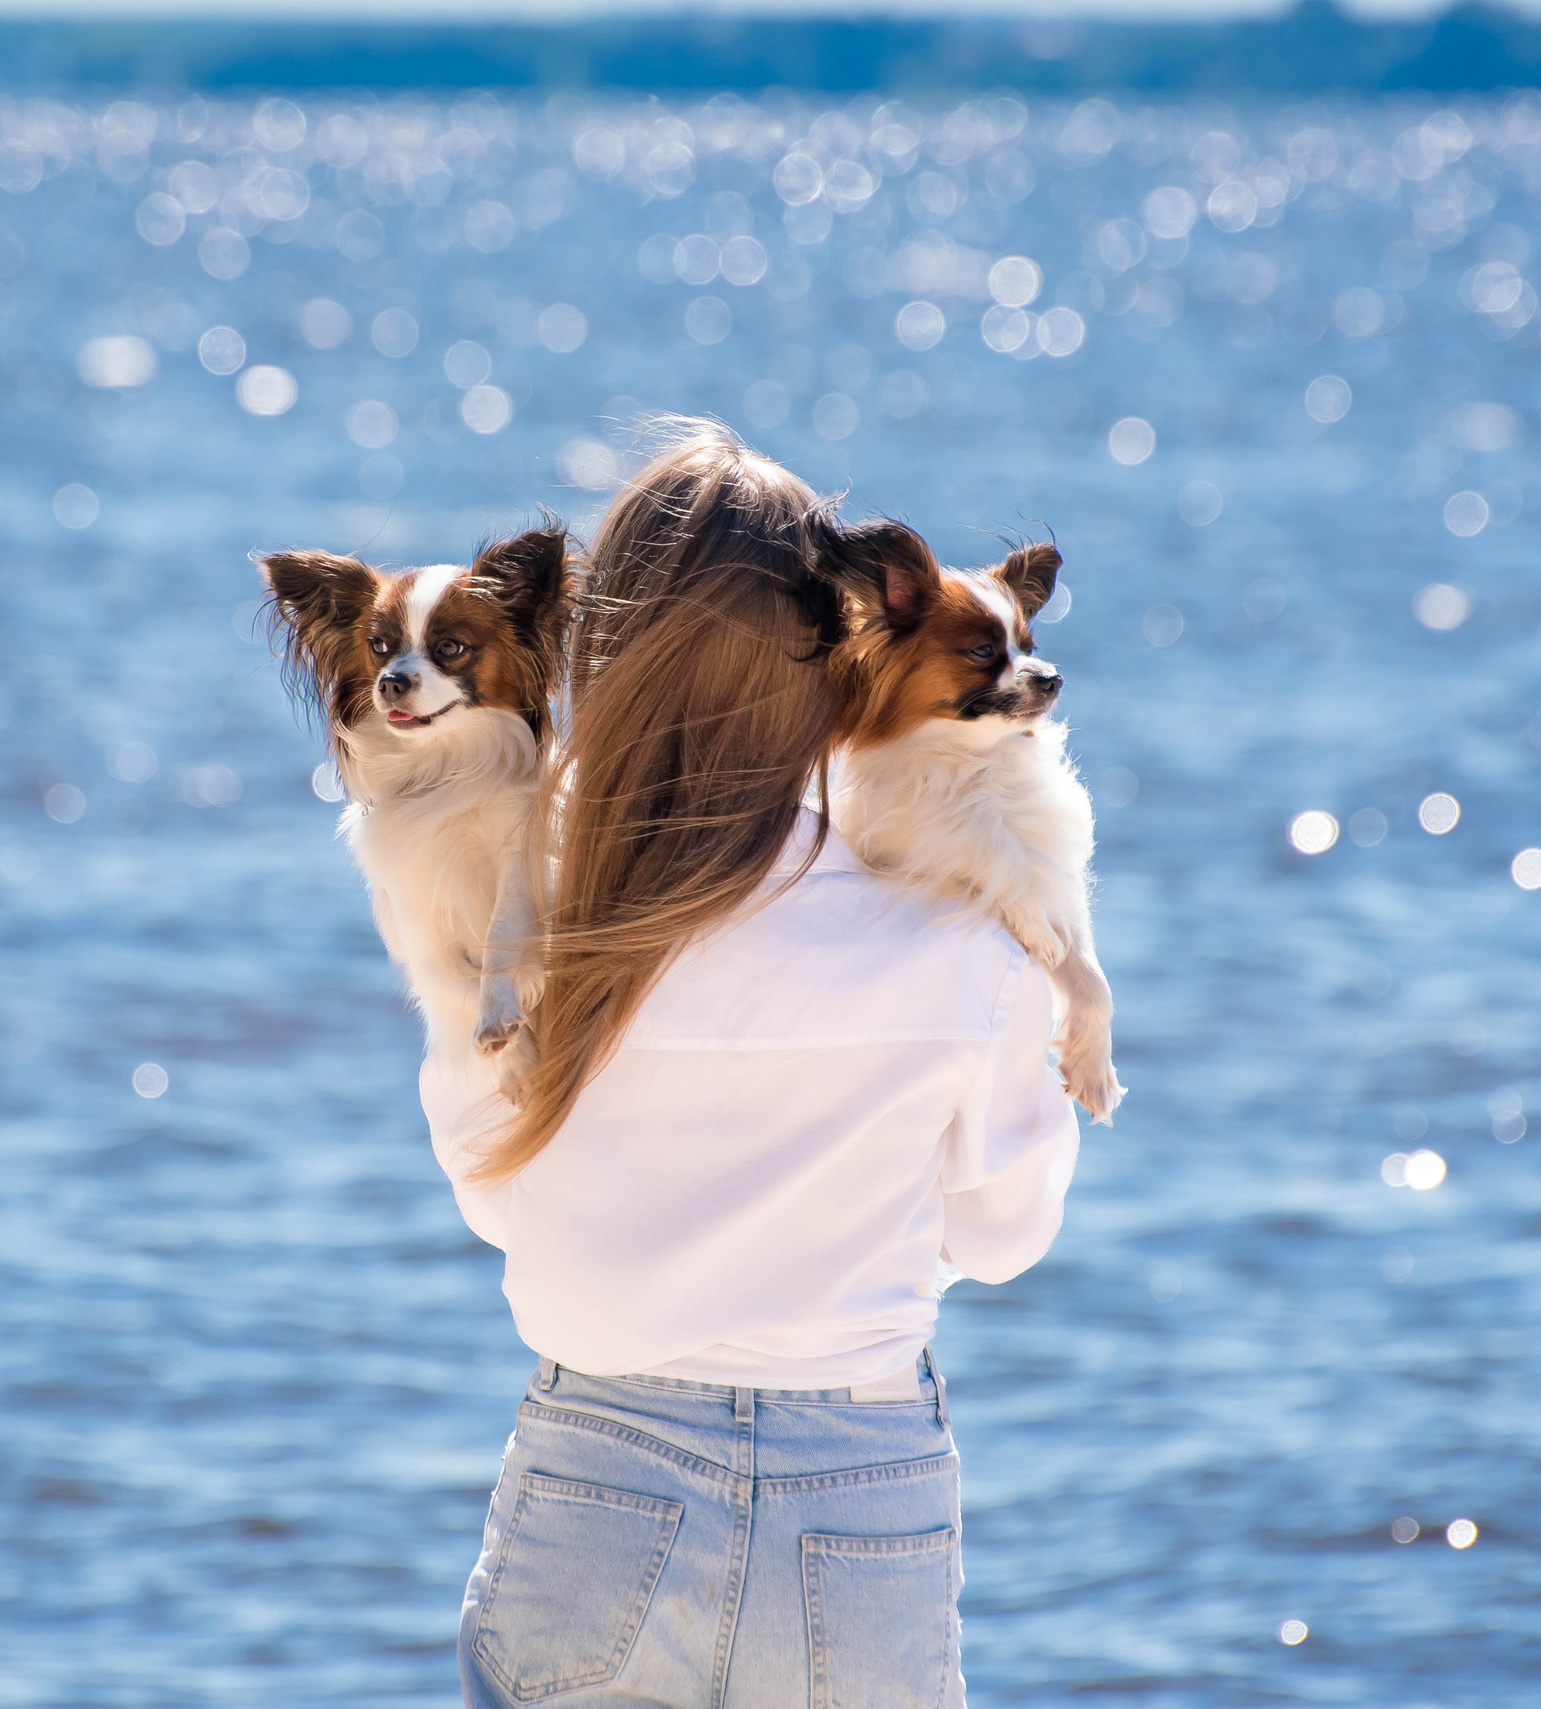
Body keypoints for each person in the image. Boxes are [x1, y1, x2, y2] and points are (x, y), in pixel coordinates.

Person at [425, 427, 1081, 1706]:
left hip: (597, 1479)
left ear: (602, 651)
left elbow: (494, 1194)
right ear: (837, 654)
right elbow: (1005, 1235)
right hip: (858, 1481)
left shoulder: (525, 936)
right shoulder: (960, 934)